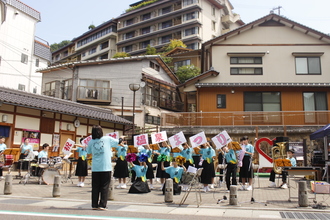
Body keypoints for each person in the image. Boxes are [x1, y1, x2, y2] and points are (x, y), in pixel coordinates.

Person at [86, 125, 119, 211]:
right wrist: (121, 138)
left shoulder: (91, 142)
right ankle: (102, 204)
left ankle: (94, 204)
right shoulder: (107, 139)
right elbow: (117, 142)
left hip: (95, 167)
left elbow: (88, 151)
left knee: (95, 187)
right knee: (105, 186)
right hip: (106, 167)